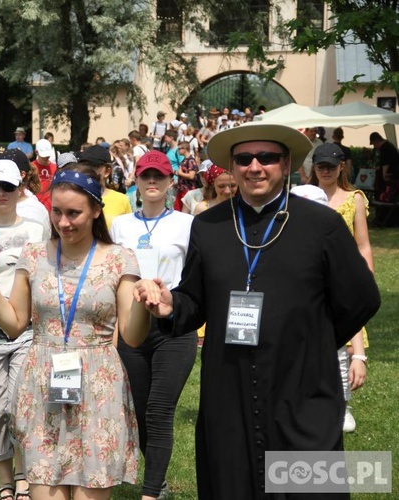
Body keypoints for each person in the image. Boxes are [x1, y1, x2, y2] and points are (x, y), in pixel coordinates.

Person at [125, 122, 381, 499]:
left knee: (308, 490)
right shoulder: (209, 226)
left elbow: (362, 298)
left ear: (287, 162)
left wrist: (312, 342)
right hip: (229, 390)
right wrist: (170, 304)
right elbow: (195, 301)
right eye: (244, 159)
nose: (255, 167)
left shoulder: (321, 225)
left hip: (302, 390)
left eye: (267, 157)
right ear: (232, 165)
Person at [0, 164, 140, 499]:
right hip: (43, 381)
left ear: (96, 210)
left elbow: (131, 334)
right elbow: (14, 324)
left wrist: (145, 303)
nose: (63, 222)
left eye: (74, 213)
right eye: (56, 211)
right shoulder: (34, 255)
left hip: (98, 386)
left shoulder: (120, 259)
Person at [110, 151, 196, 500]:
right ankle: (157, 483)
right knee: (141, 411)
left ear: (170, 181)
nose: (151, 183)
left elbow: (195, 277)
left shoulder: (187, 224)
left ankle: (150, 492)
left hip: (172, 326)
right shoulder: (121, 225)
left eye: (158, 176)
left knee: (160, 409)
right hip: (132, 325)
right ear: (136, 180)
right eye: (145, 176)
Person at [0, 159, 48, 500]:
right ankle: (4, 481)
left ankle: (22, 477)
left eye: (7, 187)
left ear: (20, 188)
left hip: (26, 331)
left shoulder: (37, 226)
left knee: (22, 405)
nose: (0, 194)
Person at [308, 142, 372, 433]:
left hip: (344, 274)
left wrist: (365, 278)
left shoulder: (354, 198)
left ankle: (343, 405)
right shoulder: (304, 197)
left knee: (347, 338)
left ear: (341, 167)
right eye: (320, 166)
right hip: (311, 275)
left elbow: (363, 244)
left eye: (331, 166)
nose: (325, 171)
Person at [77, 145, 132, 228]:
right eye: (85, 166)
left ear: (107, 171)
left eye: (94, 167)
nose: (89, 171)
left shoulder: (121, 200)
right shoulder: (74, 197)